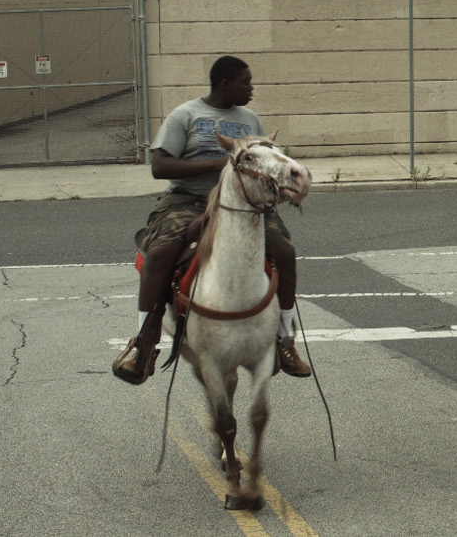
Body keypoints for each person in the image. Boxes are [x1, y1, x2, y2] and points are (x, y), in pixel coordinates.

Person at [111, 56, 310, 384]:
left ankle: (284, 339)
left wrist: (282, 188)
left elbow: (266, 167)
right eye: (246, 82)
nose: (251, 88)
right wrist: (219, 164)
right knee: (160, 253)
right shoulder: (186, 115)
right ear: (225, 83)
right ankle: (144, 344)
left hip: (243, 204)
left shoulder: (250, 121)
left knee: (285, 253)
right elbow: (159, 167)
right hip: (188, 202)